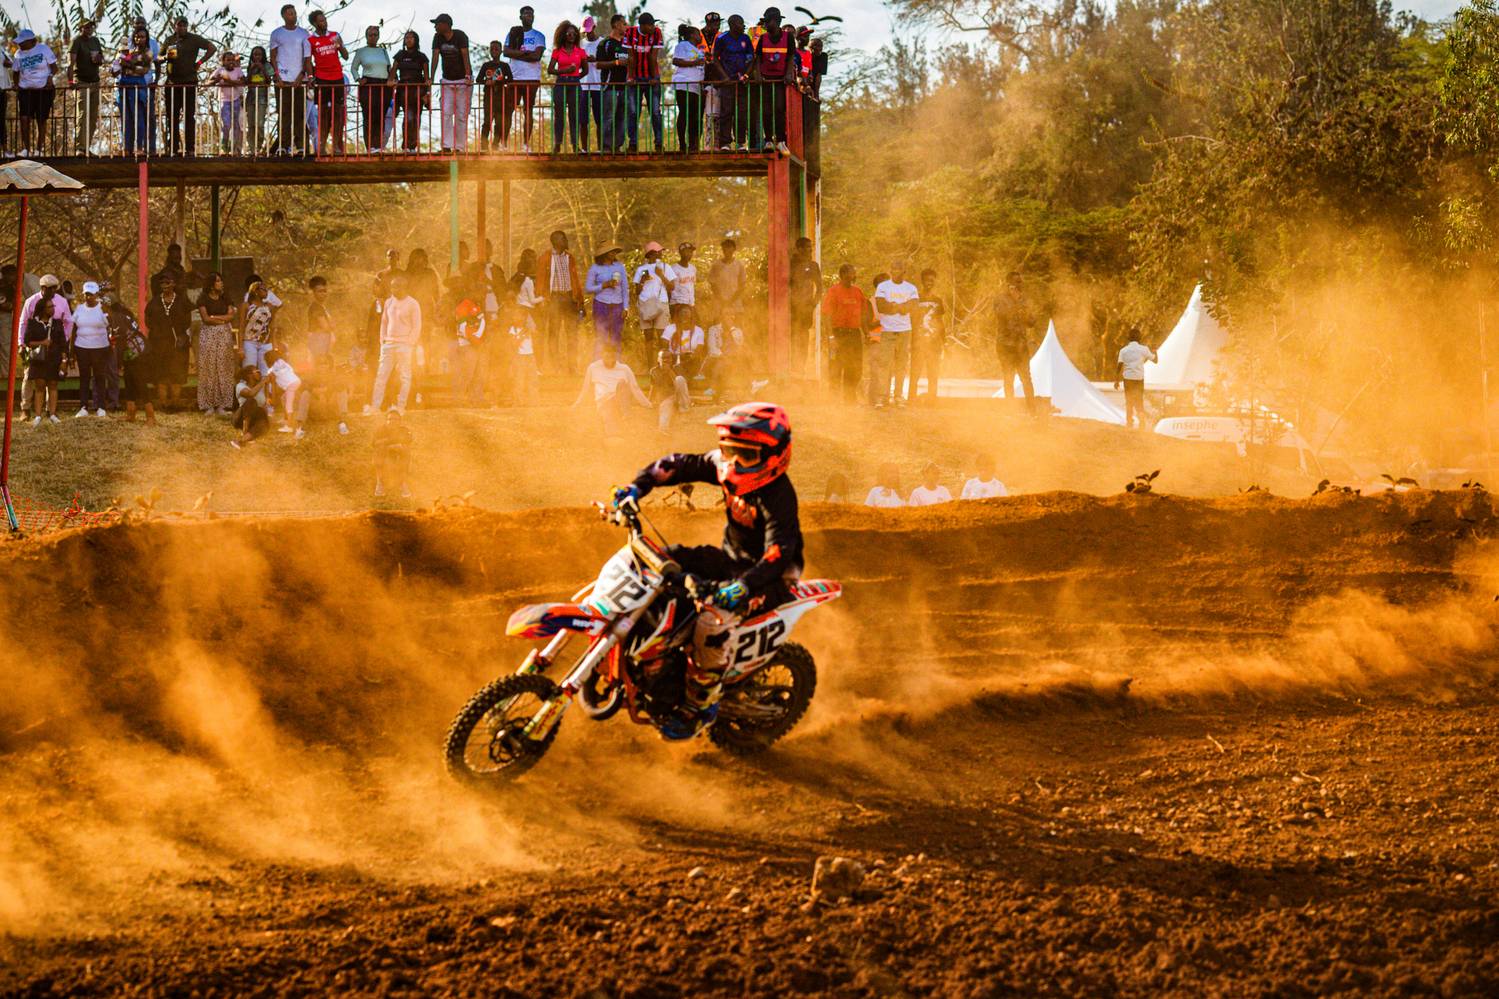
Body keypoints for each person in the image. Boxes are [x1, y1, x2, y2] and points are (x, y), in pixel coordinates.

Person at [612, 401, 801, 739]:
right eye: (729, 450)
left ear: (774, 455)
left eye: (746, 455)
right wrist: (636, 488)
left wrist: (742, 587)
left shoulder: (779, 496)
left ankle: (700, 706)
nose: (734, 462)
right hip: (731, 560)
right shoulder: (725, 466)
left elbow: (778, 553)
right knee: (661, 560)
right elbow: (675, 465)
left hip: (770, 578)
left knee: (712, 622)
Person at [572, 341, 651, 436]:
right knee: (611, 427)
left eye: (612, 357)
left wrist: (647, 404)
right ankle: (614, 431)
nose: (610, 360)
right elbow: (586, 388)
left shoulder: (624, 368)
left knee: (622, 384)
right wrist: (578, 403)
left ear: (616, 356)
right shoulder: (593, 367)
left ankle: (626, 417)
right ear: (602, 356)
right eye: (607, 357)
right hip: (604, 402)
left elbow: (635, 387)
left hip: (621, 401)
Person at [163, 15, 215, 157]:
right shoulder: (169, 40)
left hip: (189, 82)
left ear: (187, 26)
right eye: (179, 25)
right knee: (172, 116)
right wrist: (166, 57)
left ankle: (190, 148)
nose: (182, 28)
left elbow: (212, 48)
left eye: (184, 25)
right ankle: (173, 148)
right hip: (172, 83)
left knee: (189, 116)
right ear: (175, 26)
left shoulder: (194, 39)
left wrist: (199, 62)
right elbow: (158, 58)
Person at [369, 273, 421, 413]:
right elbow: (384, 322)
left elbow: (417, 326)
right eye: (392, 287)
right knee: (381, 376)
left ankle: (401, 406)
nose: (394, 290)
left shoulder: (413, 303)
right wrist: (383, 341)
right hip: (388, 344)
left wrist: (410, 343)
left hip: (404, 345)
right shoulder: (389, 302)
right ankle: (375, 407)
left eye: (397, 287)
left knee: (404, 377)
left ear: (405, 288)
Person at [751, 7, 799, 150]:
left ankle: (781, 140)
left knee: (779, 108)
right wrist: (758, 74)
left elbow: (790, 57)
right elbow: (758, 58)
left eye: (768, 21)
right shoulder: (763, 38)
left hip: (780, 79)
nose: (765, 24)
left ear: (776, 21)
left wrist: (789, 74)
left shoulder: (788, 37)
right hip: (766, 79)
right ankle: (768, 140)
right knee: (766, 110)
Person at [820, 263, 867, 403]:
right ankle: (833, 399)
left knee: (854, 366)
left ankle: (850, 397)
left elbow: (864, 314)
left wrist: (866, 333)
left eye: (854, 273)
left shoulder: (858, 292)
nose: (853, 276)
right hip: (838, 333)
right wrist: (830, 337)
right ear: (843, 275)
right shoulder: (833, 291)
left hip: (854, 334)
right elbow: (826, 315)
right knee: (835, 366)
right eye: (851, 273)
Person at [269, 3, 312, 155]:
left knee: (300, 114)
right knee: (284, 114)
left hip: (299, 80)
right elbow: (273, 56)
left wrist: (302, 75)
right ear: (284, 16)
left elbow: (307, 57)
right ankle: (283, 146)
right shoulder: (276, 33)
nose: (293, 15)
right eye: (289, 13)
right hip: (283, 79)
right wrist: (277, 76)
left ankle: (301, 146)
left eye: (294, 12)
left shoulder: (304, 33)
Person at [874, 264, 918, 406]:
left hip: (905, 330)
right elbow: (881, 307)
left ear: (904, 272)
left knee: (901, 364)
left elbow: (913, 307)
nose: (895, 272)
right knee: (884, 364)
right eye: (893, 269)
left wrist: (893, 306)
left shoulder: (911, 288)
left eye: (899, 269)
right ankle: (882, 396)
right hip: (887, 330)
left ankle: (898, 396)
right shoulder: (883, 287)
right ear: (890, 271)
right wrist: (901, 306)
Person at [539, 230, 583, 373]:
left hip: (570, 298)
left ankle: (572, 367)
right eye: (563, 239)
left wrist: (580, 300)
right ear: (555, 241)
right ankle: (555, 367)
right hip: (554, 299)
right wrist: (543, 299)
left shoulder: (570, 258)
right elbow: (540, 281)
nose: (566, 241)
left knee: (572, 334)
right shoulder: (546, 258)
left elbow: (575, 280)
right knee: (554, 334)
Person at [146, 272, 192, 409]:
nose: (164, 285)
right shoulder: (154, 302)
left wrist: (181, 335)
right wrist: (158, 333)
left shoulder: (182, 301)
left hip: (178, 344)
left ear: (174, 284)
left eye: (167, 282)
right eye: (162, 282)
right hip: (158, 344)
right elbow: (148, 321)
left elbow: (187, 321)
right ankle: (163, 404)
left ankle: (175, 403)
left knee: (177, 374)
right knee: (161, 374)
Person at [504, 6, 546, 150]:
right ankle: (503, 143)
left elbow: (537, 56)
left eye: (531, 14)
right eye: (526, 14)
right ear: (520, 17)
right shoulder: (513, 33)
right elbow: (506, 52)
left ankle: (526, 144)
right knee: (508, 110)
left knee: (528, 111)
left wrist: (517, 54)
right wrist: (527, 54)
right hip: (514, 78)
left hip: (531, 78)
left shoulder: (539, 36)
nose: (530, 16)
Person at [107, 298, 155, 426]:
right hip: (132, 353)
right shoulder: (124, 315)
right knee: (129, 382)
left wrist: (119, 363)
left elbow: (121, 341)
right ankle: (130, 413)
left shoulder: (117, 318)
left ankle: (150, 416)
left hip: (137, 354)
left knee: (140, 383)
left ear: (109, 307)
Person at [430, 13, 472, 153]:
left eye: (437, 24)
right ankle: (446, 146)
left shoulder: (460, 36)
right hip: (447, 80)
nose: (435, 27)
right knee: (446, 112)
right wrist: (431, 77)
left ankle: (460, 147)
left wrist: (468, 76)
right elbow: (435, 57)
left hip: (462, 79)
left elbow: (465, 55)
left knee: (461, 114)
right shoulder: (437, 37)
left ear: (445, 25)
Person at [712, 14, 755, 150]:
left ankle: (740, 142)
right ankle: (725, 143)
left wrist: (747, 75)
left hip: (742, 82)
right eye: (740, 23)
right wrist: (724, 76)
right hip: (728, 82)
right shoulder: (722, 38)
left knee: (742, 113)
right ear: (733, 24)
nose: (743, 26)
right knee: (726, 112)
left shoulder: (745, 38)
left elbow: (751, 59)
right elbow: (715, 58)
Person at [308, 10, 348, 155]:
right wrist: (311, 77)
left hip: (337, 77)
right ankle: (322, 146)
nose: (324, 22)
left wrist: (339, 46)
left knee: (338, 113)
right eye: (321, 21)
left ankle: (336, 146)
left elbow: (346, 56)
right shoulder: (311, 40)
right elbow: (308, 61)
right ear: (314, 23)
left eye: (325, 20)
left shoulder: (335, 35)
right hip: (322, 78)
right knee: (323, 113)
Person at [193, 273, 234, 414]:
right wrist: (222, 319)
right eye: (218, 281)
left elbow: (231, 316)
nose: (221, 283)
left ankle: (222, 404)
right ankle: (208, 404)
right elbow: (206, 319)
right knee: (208, 368)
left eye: (221, 280)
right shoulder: (203, 299)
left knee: (223, 367)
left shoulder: (225, 297)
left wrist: (215, 317)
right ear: (211, 285)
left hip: (224, 334)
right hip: (208, 334)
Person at [623, 13, 664, 152]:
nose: (653, 27)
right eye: (651, 25)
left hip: (652, 76)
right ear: (643, 25)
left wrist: (653, 78)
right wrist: (630, 77)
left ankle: (659, 143)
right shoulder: (630, 32)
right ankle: (633, 144)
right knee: (633, 112)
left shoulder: (657, 32)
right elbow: (631, 57)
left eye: (653, 24)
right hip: (635, 77)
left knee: (655, 111)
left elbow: (653, 57)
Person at [112, 26, 157, 156]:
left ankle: (139, 147)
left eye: (142, 37)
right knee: (126, 118)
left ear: (146, 38)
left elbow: (143, 70)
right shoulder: (128, 51)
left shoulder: (148, 52)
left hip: (138, 85)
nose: (139, 39)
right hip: (124, 85)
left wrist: (127, 64)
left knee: (138, 116)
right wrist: (118, 63)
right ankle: (126, 147)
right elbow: (117, 68)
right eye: (137, 37)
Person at [13, 29, 58, 157]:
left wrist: (50, 77)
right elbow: (15, 72)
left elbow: (54, 68)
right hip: (26, 91)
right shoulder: (18, 54)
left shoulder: (43, 49)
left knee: (41, 120)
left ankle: (39, 149)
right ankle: (26, 149)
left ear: (31, 41)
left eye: (22, 42)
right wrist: (16, 85)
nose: (19, 44)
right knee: (24, 119)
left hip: (43, 90)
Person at [995, 276, 1036, 413]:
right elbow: (1000, 315)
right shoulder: (1000, 299)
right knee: (1008, 377)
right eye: (1013, 284)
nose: (1016, 286)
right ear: (1008, 284)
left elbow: (1032, 322)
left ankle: (1032, 410)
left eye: (1018, 283)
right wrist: (1015, 304)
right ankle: (1010, 409)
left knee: (1026, 378)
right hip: (1005, 345)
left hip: (1021, 346)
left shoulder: (1024, 300)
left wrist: (1024, 310)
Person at [24, 297, 66, 426]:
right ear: (42, 309)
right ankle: (37, 416)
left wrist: (64, 360)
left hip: (54, 359)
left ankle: (52, 414)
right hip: (39, 359)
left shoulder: (57, 323)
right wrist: (42, 342)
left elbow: (63, 343)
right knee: (40, 386)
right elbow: (27, 342)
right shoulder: (33, 323)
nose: (53, 309)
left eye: (53, 306)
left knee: (53, 385)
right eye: (50, 307)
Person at [350, 26, 392, 153]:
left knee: (381, 115)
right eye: (370, 35)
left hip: (384, 85)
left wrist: (392, 79)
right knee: (369, 115)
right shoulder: (361, 51)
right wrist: (358, 79)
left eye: (375, 35)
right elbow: (354, 68)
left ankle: (378, 145)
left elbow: (389, 67)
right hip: (369, 84)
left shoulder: (383, 51)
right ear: (366, 36)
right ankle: (370, 146)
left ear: (378, 36)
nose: (373, 37)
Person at [548, 21, 588, 153]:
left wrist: (575, 77)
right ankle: (557, 144)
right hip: (560, 83)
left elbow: (586, 70)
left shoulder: (580, 51)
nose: (571, 35)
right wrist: (565, 71)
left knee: (574, 115)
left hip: (575, 84)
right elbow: (550, 69)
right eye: (568, 33)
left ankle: (575, 145)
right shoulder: (557, 51)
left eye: (574, 33)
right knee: (559, 115)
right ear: (563, 35)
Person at [592, 15, 630, 152]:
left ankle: (617, 147)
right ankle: (606, 147)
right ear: (616, 25)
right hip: (610, 87)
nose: (626, 26)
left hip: (625, 87)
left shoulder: (627, 44)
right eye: (624, 24)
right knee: (608, 117)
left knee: (622, 118)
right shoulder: (606, 43)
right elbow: (598, 64)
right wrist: (616, 62)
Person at [585, 246, 629, 356]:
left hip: (618, 305)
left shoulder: (619, 267)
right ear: (604, 254)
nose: (613, 253)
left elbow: (625, 288)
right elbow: (588, 288)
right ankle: (598, 362)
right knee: (601, 336)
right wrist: (604, 285)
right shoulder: (595, 268)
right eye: (610, 251)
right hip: (600, 304)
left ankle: (617, 362)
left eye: (614, 251)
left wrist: (625, 307)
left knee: (616, 336)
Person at [69, 19, 105, 154]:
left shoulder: (95, 41)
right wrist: (70, 82)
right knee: (82, 115)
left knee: (93, 116)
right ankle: (80, 147)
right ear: (81, 28)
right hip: (82, 82)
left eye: (91, 27)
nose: (89, 29)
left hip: (95, 82)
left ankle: (87, 147)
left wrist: (98, 59)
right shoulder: (76, 41)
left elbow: (101, 59)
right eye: (86, 27)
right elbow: (70, 63)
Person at [788, 237, 822, 377]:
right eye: (807, 247)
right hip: (792, 309)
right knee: (792, 337)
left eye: (810, 246)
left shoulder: (813, 266)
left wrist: (813, 304)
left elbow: (819, 288)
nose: (810, 249)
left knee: (803, 338)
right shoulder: (791, 264)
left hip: (806, 310)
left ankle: (800, 369)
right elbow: (785, 286)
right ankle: (791, 368)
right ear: (799, 249)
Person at [391, 31, 430, 153]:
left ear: (416, 40)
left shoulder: (421, 56)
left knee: (416, 118)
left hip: (418, 90)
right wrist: (393, 81)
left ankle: (412, 146)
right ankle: (406, 146)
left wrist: (427, 93)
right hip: (404, 90)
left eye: (411, 37)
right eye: (406, 37)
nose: (408, 40)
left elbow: (427, 77)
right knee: (408, 117)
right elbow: (393, 71)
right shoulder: (400, 55)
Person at [911, 268, 945, 404]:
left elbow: (940, 321)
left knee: (933, 372)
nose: (929, 283)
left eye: (932, 280)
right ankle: (912, 398)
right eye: (926, 280)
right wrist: (911, 339)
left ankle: (932, 399)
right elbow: (911, 320)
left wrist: (944, 341)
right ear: (922, 281)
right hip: (918, 341)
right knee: (915, 371)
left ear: (935, 281)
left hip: (934, 341)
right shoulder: (915, 299)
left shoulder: (938, 300)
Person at [672, 25, 707, 152]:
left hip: (696, 87)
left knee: (695, 117)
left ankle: (693, 145)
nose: (700, 36)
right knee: (684, 113)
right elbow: (676, 61)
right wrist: (694, 63)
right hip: (684, 84)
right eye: (698, 34)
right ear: (692, 35)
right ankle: (682, 143)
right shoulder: (683, 45)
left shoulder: (698, 50)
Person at [1116, 327, 1157, 429]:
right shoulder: (1144, 349)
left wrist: (1116, 381)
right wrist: (1155, 350)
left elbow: (1119, 366)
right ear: (1140, 338)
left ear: (1129, 338)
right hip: (1139, 379)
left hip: (1128, 379)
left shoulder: (1123, 350)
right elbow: (1155, 360)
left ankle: (1129, 423)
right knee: (1139, 402)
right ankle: (1142, 423)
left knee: (1129, 401)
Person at [476, 39, 514, 150]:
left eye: (496, 49)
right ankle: (484, 145)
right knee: (487, 121)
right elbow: (478, 79)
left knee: (499, 122)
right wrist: (486, 82)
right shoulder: (486, 65)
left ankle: (495, 145)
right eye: (491, 49)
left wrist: (497, 82)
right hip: (488, 96)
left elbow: (510, 79)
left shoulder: (504, 65)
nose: (494, 51)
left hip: (501, 96)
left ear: (501, 51)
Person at [207, 51, 246, 154]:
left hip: (236, 100)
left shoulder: (238, 70)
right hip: (224, 101)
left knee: (236, 125)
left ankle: (234, 149)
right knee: (226, 124)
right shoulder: (220, 70)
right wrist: (218, 79)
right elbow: (209, 82)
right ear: (223, 61)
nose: (231, 62)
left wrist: (230, 82)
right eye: (228, 60)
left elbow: (244, 81)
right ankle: (224, 148)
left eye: (232, 60)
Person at [634, 241, 673, 337]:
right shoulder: (641, 269)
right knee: (648, 337)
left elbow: (672, 287)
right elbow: (637, 292)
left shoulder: (666, 267)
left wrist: (661, 275)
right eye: (659, 251)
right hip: (645, 304)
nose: (661, 253)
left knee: (662, 337)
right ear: (651, 254)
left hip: (662, 303)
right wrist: (642, 280)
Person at [648, 348, 692, 433]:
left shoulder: (677, 368)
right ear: (658, 359)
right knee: (665, 409)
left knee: (679, 379)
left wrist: (669, 371)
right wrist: (649, 402)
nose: (666, 360)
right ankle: (663, 430)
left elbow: (681, 385)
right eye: (663, 357)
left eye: (668, 357)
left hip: (678, 396)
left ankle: (684, 411)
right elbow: (653, 387)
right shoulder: (654, 371)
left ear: (671, 359)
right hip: (667, 398)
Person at [373, 410, 413, 498]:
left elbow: (408, 441)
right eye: (390, 419)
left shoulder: (404, 430)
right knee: (378, 452)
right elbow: (375, 443)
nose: (392, 421)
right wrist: (389, 444)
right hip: (384, 453)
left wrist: (399, 446)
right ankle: (380, 483)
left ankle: (403, 483)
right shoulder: (380, 430)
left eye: (396, 419)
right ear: (386, 420)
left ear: (400, 421)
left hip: (399, 452)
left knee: (406, 451)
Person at [239, 280, 277, 373]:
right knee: (249, 371)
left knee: (266, 372)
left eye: (266, 289)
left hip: (266, 343)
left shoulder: (270, 306)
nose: (266, 291)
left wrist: (274, 345)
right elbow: (242, 327)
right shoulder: (246, 305)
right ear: (255, 291)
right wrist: (240, 348)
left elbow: (272, 327)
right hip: (249, 342)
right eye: (263, 289)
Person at [229, 365, 271, 448]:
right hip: (240, 418)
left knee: (264, 425)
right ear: (249, 375)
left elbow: (266, 404)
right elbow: (250, 394)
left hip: (254, 420)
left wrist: (267, 385)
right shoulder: (240, 386)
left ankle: (241, 441)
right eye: (257, 372)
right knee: (251, 401)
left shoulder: (260, 388)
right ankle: (245, 431)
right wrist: (263, 382)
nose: (260, 373)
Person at [708, 238, 746, 325]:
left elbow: (742, 285)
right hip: (719, 302)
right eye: (724, 247)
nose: (727, 249)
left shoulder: (739, 265)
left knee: (737, 326)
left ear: (734, 249)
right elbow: (712, 284)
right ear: (722, 249)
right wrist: (722, 300)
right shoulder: (716, 265)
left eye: (729, 247)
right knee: (717, 325)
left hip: (735, 302)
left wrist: (732, 300)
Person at [580, 17, 603, 152]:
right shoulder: (581, 44)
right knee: (583, 120)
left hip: (598, 85)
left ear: (594, 27)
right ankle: (584, 148)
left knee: (599, 119)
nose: (587, 33)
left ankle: (600, 148)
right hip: (583, 85)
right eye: (585, 31)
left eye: (589, 31)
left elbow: (607, 62)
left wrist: (596, 60)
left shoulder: (602, 43)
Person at [244, 46, 273, 154]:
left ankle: (258, 146)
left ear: (263, 55)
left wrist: (262, 69)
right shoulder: (250, 65)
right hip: (250, 98)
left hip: (262, 98)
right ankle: (252, 149)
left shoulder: (267, 65)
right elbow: (246, 82)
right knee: (251, 124)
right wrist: (251, 70)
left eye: (259, 54)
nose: (257, 57)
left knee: (260, 124)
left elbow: (269, 81)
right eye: (255, 54)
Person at [306, 275, 336, 363]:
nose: (323, 294)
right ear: (313, 293)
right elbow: (325, 326)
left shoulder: (321, 307)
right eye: (320, 291)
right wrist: (332, 326)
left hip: (323, 341)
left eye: (325, 291)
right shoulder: (315, 307)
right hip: (318, 341)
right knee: (320, 365)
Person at [668, 242, 698, 311]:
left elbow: (691, 286)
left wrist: (692, 303)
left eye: (691, 252)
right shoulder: (673, 268)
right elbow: (669, 289)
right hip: (678, 303)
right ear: (681, 253)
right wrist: (670, 306)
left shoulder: (693, 268)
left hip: (690, 304)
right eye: (687, 252)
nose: (689, 254)